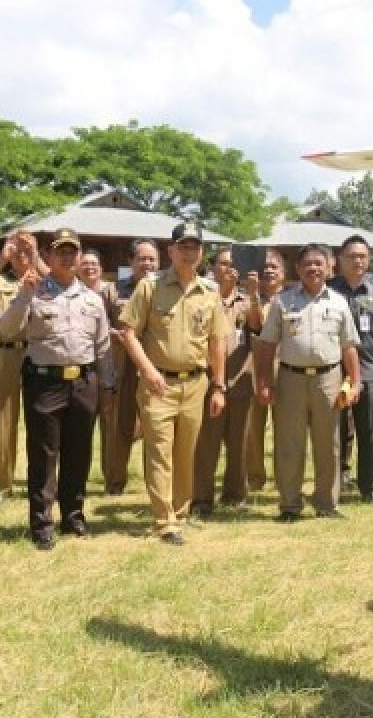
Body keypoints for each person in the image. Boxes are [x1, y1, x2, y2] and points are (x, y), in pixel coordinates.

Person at [0, 228, 114, 551]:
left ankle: (74, 517)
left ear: (79, 257)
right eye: (60, 250)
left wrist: (108, 385)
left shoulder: (92, 299)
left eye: (72, 251)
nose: (67, 256)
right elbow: (7, 329)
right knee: (44, 455)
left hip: (83, 383)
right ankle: (42, 523)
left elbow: (102, 346)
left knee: (79, 453)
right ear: (49, 256)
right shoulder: (33, 291)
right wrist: (23, 296)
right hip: (45, 381)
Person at [120, 222, 226, 544]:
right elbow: (127, 332)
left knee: (185, 453)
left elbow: (216, 341)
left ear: (202, 252)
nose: (189, 252)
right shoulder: (150, 287)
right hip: (158, 384)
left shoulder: (210, 292)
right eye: (183, 246)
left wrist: (219, 385)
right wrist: (148, 370)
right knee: (160, 453)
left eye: (195, 246)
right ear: (171, 251)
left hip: (195, 384)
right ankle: (163, 520)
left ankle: (180, 513)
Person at [255, 243, 360, 521]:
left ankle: (326, 503)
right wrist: (264, 381)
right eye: (307, 264)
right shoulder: (283, 302)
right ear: (298, 269)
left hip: (329, 379)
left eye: (318, 263)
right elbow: (267, 345)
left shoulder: (339, 302)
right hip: (291, 379)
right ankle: (289, 505)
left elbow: (349, 346)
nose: (313, 268)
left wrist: (355, 382)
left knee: (329, 444)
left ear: (329, 268)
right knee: (289, 444)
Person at [0, 230, 44, 500]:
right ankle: (2, 486)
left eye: (27, 250)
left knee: (42, 420)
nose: (22, 255)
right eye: (18, 250)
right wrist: (2, 260)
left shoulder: (44, 278)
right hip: (6, 354)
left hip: (38, 352)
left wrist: (36, 256)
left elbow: (56, 283)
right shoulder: (1, 280)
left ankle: (39, 483)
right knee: (4, 422)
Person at [192, 246, 258, 518]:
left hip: (240, 381)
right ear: (213, 267)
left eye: (233, 264)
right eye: (223, 264)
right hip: (208, 383)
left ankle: (234, 494)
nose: (229, 268)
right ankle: (201, 499)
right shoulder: (204, 297)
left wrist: (254, 294)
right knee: (206, 445)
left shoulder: (245, 300)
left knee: (239, 443)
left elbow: (258, 326)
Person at [331, 235, 373, 503]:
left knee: (368, 432)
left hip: (368, 371)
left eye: (363, 256)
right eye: (352, 256)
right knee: (333, 432)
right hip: (333, 370)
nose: (358, 261)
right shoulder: (328, 291)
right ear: (339, 259)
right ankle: (332, 487)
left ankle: (370, 486)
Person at [105, 238, 161, 495]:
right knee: (120, 427)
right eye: (142, 258)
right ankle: (115, 483)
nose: (147, 264)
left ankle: (156, 485)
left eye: (152, 259)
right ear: (131, 262)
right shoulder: (113, 291)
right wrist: (113, 334)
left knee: (156, 428)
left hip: (156, 368)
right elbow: (98, 325)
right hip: (123, 366)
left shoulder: (165, 290)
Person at [78, 248, 119, 482]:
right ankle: (78, 476)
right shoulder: (72, 292)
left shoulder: (109, 292)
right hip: (81, 368)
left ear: (101, 269)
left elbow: (120, 324)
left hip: (106, 365)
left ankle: (111, 479)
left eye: (94, 264)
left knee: (109, 426)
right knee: (81, 427)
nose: (90, 267)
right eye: (85, 263)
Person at [246, 249, 285, 492]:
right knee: (253, 430)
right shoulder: (247, 300)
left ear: (284, 273)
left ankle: (285, 478)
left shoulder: (292, 299)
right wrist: (252, 296)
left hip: (285, 371)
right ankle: (255, 478)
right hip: (253, 371)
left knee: (285, 429)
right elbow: (256, 326)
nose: (268, 271)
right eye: (264, 268)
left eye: (274, 267)